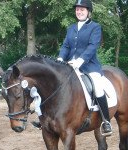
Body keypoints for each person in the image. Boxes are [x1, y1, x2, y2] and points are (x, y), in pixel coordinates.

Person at [32, 0, 112, 135]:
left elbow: (92, 46)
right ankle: (44, 118)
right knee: (50, 85)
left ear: (88, 12)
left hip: (89, 66)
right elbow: (66, 46)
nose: (79, 12)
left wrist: (80, 60)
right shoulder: (71, 28)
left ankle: (106, 121)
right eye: (77, 10)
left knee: (98, 87)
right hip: (68, 66)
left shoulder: (95, 27)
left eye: (82, 10)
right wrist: (60, 59)